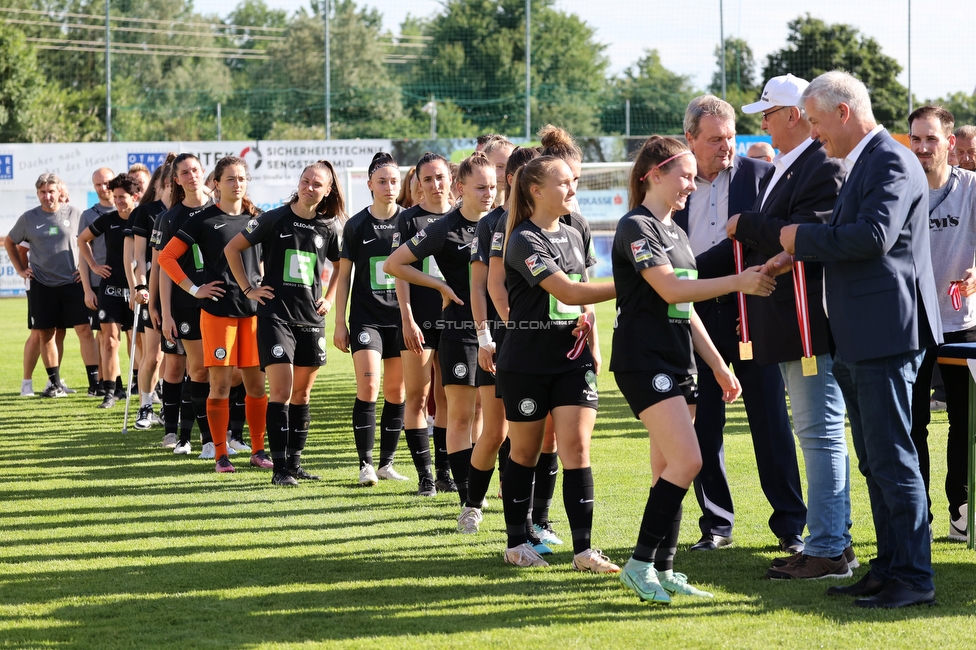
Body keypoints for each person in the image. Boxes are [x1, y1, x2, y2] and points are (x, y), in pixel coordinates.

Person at [777, 70, 940, 609]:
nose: (815, 135)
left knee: (893, 459)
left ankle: (913, 577)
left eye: (818, 123)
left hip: (885, 335)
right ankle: (890, 566)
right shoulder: (864, 161)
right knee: (875, 461)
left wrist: (799, 238)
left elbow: (873, 237)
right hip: (860, 336)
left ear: (844, 112)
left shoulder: (890, 158)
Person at [613, 136, 775, 603]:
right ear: (654, 175)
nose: (691, 183)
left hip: (677, 360)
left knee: (668, 466)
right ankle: (640, 563)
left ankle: (663, 569)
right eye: (684, 175)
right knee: (690, 460)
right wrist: (740, 281)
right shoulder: (636, 227)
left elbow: (687, 310)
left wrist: (720, 367)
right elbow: (670, 290)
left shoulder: (676, 232)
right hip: (644, 361)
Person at [729, 74, 855, 579]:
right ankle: (832, 543)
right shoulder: (790, 164)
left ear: (794, 115)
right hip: (789, 323)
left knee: (820, 433)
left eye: (767, 112)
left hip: (809, 324)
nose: (761, 121)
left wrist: (745, 225)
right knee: (818, 433)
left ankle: (828, 547)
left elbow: (806, 233)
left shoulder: (819, 164)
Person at [673, 95, 806, 554]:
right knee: (703, 425)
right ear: (690, 139)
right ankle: (716, 525)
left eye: (729, 137)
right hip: (696, 317)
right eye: (713, 140)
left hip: (757, 312)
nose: (724, 147)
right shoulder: (676, 186)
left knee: (771, 423)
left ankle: (791, 527)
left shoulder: (762, 176)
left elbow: (778, 235)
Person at [495, 155, 618, 573]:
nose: (572, 189)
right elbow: (566, 289)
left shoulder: (574, 231)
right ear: (536, 191)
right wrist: (638, 283)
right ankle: (516, 543)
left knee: (577, 449)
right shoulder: (523, 239)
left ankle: (583, 551)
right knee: (525, 452)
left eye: (573, 181)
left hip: (572, 362)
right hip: (526, 363)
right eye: (564, 182)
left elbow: (579, 295)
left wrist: (591, 334)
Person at [385, 152, 497, 528]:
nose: (489, 194)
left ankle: (480, 491)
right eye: (481, 188)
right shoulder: (443, 227)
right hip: (461, 330)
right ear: (461, 188)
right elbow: (394, 264)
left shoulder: (504, 223)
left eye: (494, 187)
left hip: (503, 333)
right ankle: (469, 501)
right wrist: (438, 284)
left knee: (489, 415)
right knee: (461, 413)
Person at [225, 160, 343, 484]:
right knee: (281, 389)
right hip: (275, 316)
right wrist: (249, 288)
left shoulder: (328, 227)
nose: (309, 187)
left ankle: (294, 465)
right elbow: (233, 248)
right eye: (305, 180)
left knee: (302, 395)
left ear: (327, 190)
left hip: (311, 319)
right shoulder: (274, 218)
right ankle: (278, 470)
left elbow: (342, 265)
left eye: (317, 184)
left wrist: (330, 298)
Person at [160, 156, 272, 475]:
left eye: (241, 178)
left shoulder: (257, 218)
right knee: (219, 385)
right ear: (216, 184)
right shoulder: (203, 219)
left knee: (255, 386)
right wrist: (195, 290)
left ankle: (259, 450)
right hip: (217, 314)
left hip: (253, 315)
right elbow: (167, 257)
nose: (237, 184)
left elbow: (266, 263)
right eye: (230, 179)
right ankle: (220, 454)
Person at [907, 105, 976, 542]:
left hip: (960, 325)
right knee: (912, 424)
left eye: (931, 139)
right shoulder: (900, 188)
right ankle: (919, 517)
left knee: (966, 420)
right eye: (915, 138)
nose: (922, 147)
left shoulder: (971, 187)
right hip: (910, 326)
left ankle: (961, 509)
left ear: (950, 143)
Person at [334, 154, 421, 492]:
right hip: (366, 320)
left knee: (397, 392)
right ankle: (366, 464)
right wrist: (340, 323)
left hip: (401, 320)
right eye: (381, 181)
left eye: (393, 181)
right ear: (369, 184)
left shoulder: (410, 222)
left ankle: (387, 464)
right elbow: (343, 277)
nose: (388, 187)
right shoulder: (356, 225)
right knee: (369, 388)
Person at [5, 173, 99, 399]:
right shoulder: (28, 218)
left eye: (50, 191)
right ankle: (54, 384)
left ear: (59, 192)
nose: (47, 196)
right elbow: (10, 241)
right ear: (37, 193)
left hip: (73, 282)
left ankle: (95, 384)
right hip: (42, 285)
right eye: (42, 192)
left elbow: (91, 241)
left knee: (84, 331)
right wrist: (20, 269)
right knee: (45, 334)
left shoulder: (76, 214)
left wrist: (86, 267)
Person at [391, 153, 453, 491]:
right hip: (420, 320)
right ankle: (425, 477)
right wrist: (407, 317)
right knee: (416, 396)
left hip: (455, 322)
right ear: (418, 184)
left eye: (440, 177)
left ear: (450, 179)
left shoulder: (464, 217)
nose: (434, 185)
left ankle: (445, 474)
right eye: (427, 179)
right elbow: (399, 273)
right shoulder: (409, 220)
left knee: (447, 397)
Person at [153, 154, 215, 456]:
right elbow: (163, 267)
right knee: (194, 368)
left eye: (195, 170)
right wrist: (164, 311)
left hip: (222, 300)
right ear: (176, 179)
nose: (191, 176)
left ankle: (227, 434)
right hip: (185, 303)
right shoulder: (170, 218)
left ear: (203, 173)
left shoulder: (222, 208)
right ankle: (184, 434)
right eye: (184, 173)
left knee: (227, 371)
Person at [78, 173, 143, 409]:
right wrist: (94, 266)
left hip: (138, 290)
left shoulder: (145, 219)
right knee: (109, 342)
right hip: (111, 290)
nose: (117, 201)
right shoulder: (108, 220)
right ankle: (111, 391)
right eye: (115, 197)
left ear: (135, 196)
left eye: (122, 197)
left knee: (138, 343)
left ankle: (147, 389)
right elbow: (82, 240)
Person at [127, 156, 175, 430]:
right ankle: (145, 405)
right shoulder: (146, 213)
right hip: (153, 292)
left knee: (177, 358)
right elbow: (138, 257)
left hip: (182, 291)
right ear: (165, 182)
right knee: (154, 355)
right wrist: (141, 286)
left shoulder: (190, 210)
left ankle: (172, 408)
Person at [78, 167, 116, 397]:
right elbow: (83, 253)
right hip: (98, 284)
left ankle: (126, 383)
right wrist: (86, 288)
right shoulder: (89, 215)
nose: (103, 188)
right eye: (98, 185)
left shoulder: (131, 211)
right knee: (104, 335)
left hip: (126, 283)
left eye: (107, 183)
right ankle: (104, 383)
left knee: (132, 336)